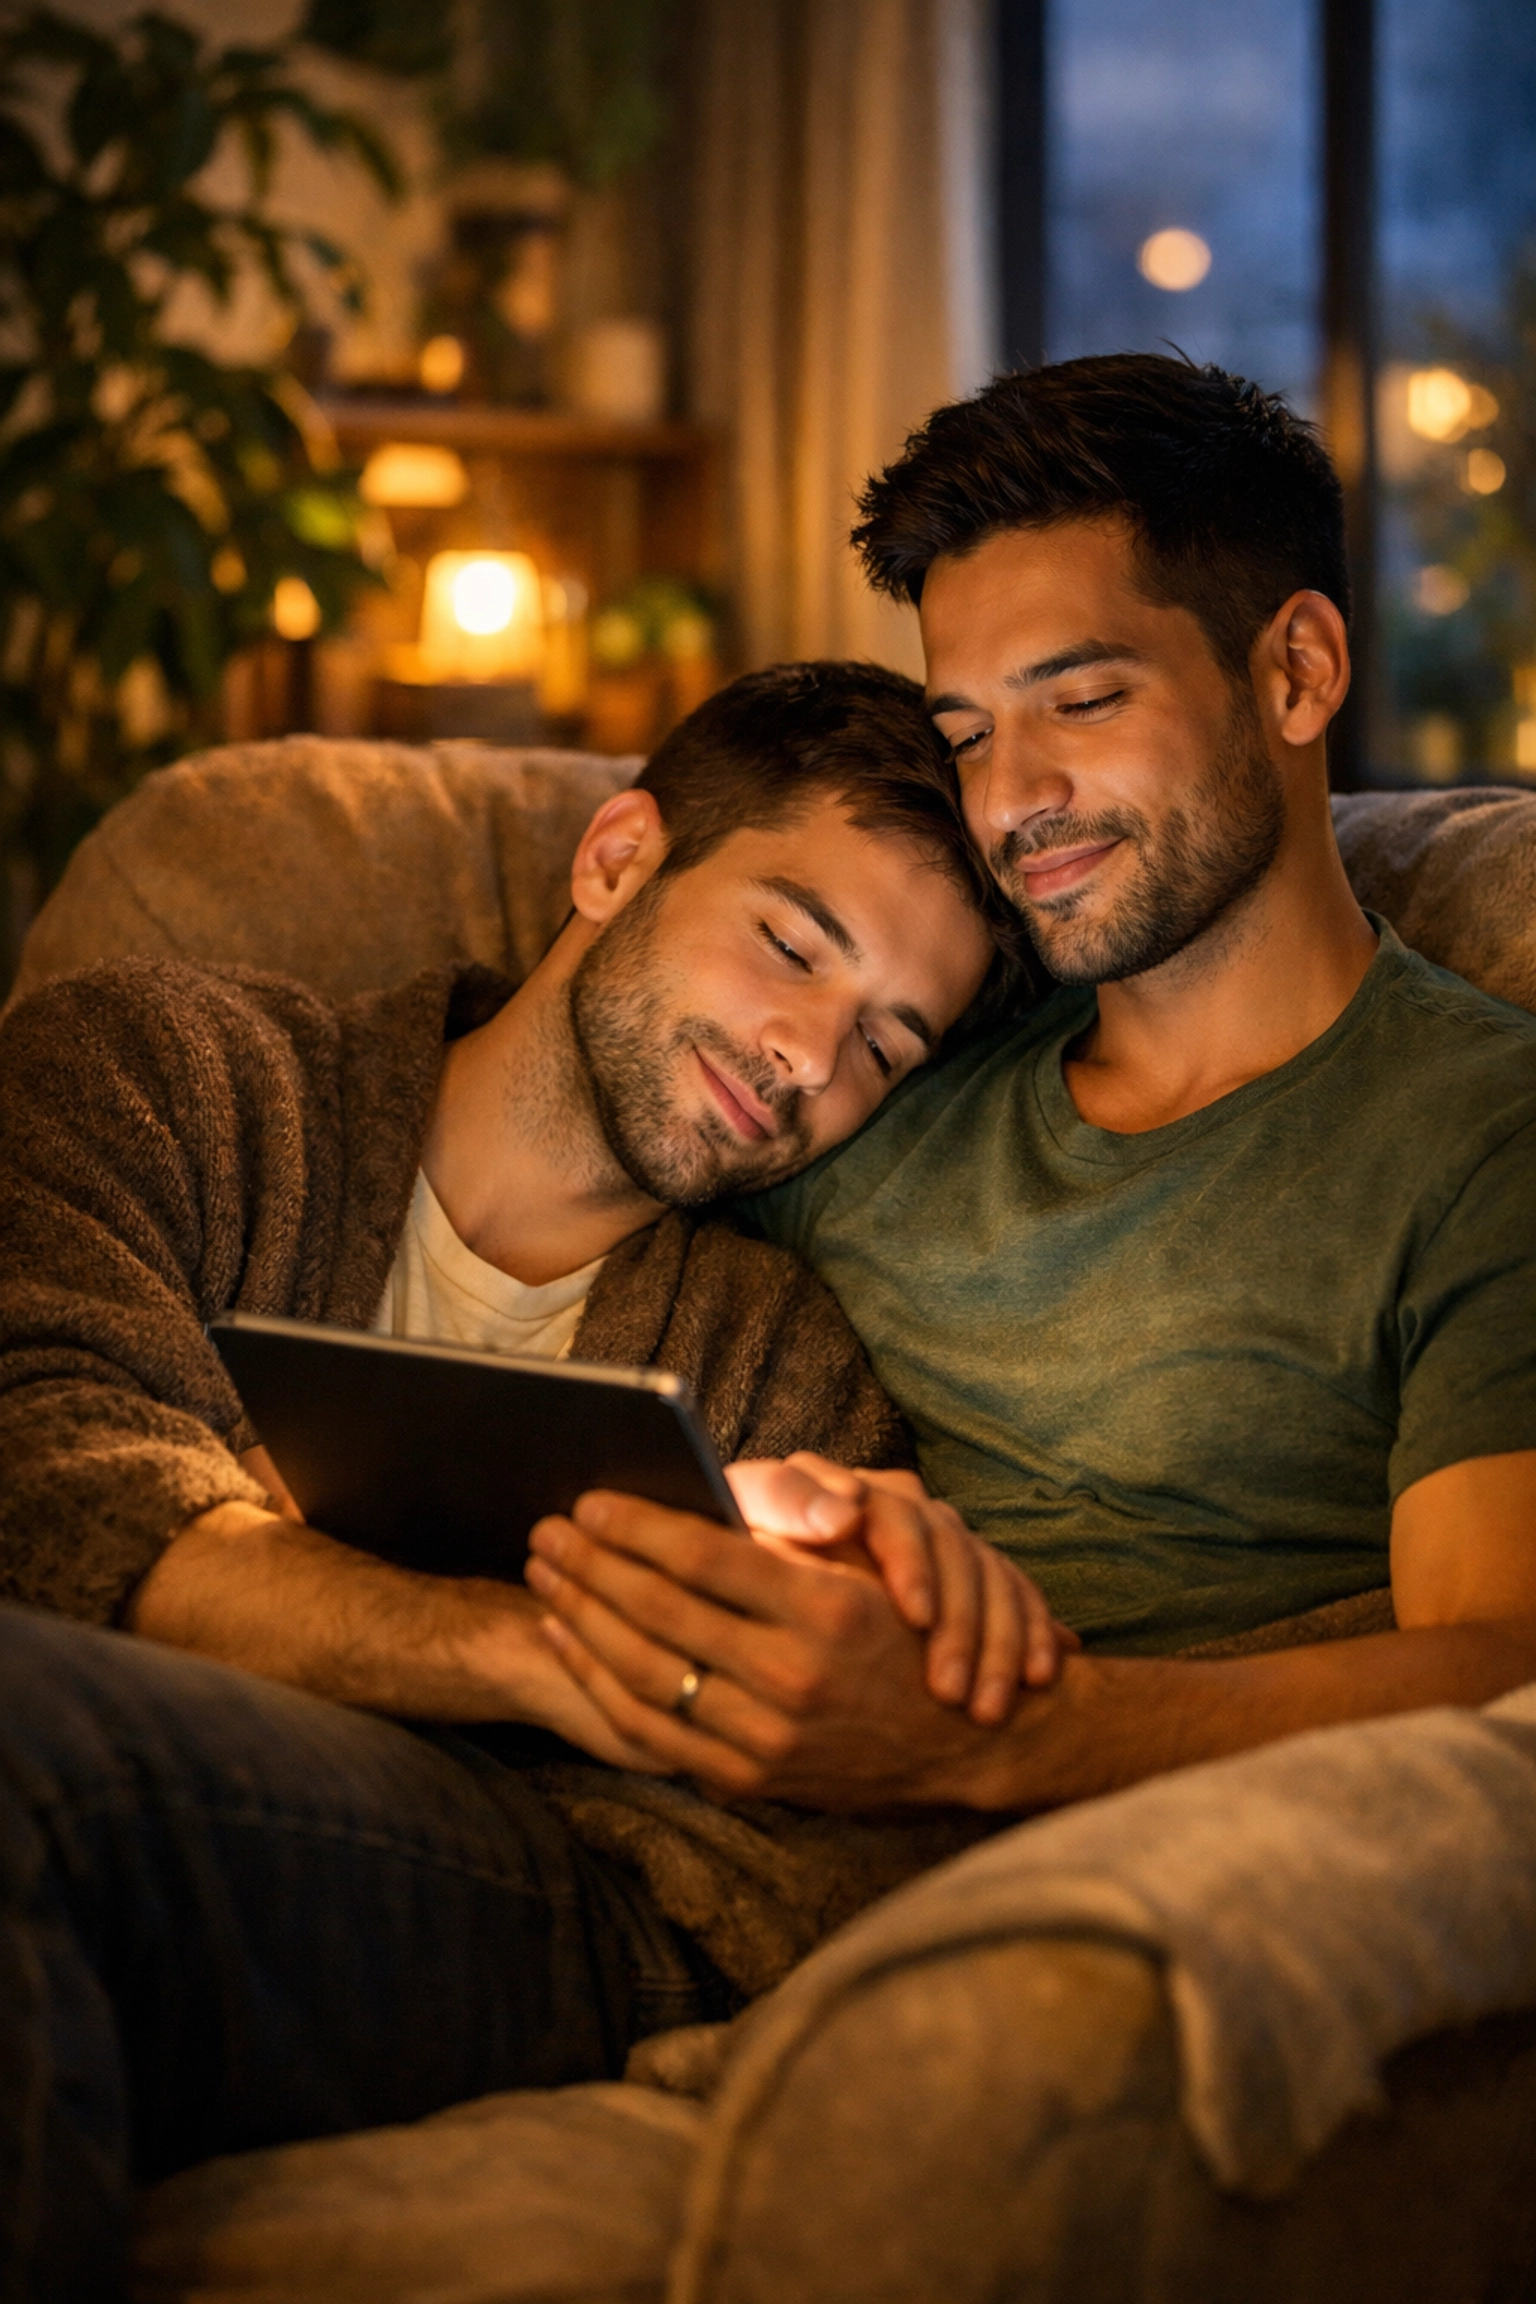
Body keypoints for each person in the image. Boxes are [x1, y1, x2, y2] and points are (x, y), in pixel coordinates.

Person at [0, 660, 1060, 2294]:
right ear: (618, 856)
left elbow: (785, 1861)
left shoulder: (789, 1376)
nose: (801, 1059)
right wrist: (542, 1647)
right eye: (791, 945)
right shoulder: (163, 1073)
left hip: (511, 1912)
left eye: (882, 1047)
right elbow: (41, 1468)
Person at [524, 354, 1536, 1816]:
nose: (1010, 802)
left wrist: (995, 1739)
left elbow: (1501, 1674)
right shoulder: (880, 1078)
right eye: (969, 734)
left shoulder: (1479, 1131)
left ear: (1296, 672)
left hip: (1100, 1885)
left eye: (1082, 700)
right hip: (615, 1792)